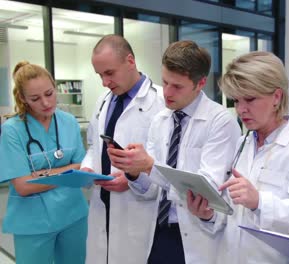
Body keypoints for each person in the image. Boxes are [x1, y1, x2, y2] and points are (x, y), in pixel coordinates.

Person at [188, 51, 289, 263]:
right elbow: (234, 214)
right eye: (236, 101)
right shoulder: (244, 142)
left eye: (250, 99)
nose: (241, 109)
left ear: (277, 97)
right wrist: (208, 214)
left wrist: (260, 202)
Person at [107, 40, 240, 264]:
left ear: (200, 84)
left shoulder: (221, 122)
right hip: (159, 234)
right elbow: (149, 192)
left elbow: (205, 190)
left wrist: (149, 165)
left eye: (177, 86)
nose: (167, 92)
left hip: (197, 236)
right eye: (165, 82)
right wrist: (134, 172)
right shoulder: (161, 120)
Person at [80, 34, 165, 264]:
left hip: (139, 207)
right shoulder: (103, 101)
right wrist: (88, 168)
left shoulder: (160, 103)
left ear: (130, 61)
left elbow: (166, 163)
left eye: (109, 73)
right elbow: (93, 146)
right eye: (100, 75)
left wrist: (130, 179)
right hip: (102, 204)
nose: (104, 82)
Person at [0, 61, 88, 264]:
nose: (46, 103)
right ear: (22, 98)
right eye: (35, 98)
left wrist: (38, 175)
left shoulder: (68, 121)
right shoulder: (13, 130)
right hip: (32, 222)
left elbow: (81, 169)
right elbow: (22, 186)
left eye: (49, 93)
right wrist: (68, 171)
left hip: (73, 216)